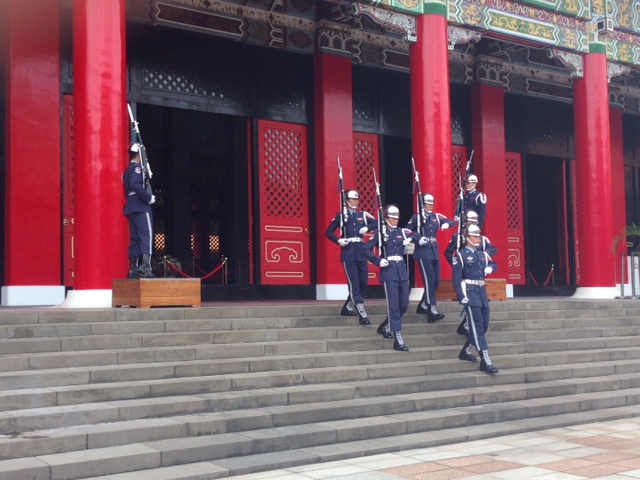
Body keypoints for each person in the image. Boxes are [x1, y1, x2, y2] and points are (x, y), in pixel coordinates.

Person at [363, 205, 417, 351]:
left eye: (397, 218)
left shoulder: (401, 232)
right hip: (388, 271)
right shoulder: (380, 233)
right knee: (393, 305)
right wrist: (378, 260)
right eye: (392, 218)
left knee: (404, 304)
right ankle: (398, 337)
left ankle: (386, 325)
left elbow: (416, 235)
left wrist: (411, 238)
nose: (395, 221)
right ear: (386, 218)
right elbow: (365, 249)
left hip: (401, 271)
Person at [325, 189, 378, 325]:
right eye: (353, 199)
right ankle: (362, 313)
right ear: (347, 200)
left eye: (357, 199)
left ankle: (347, 306)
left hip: (361, 252)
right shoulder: (341, 216)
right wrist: (338, 240)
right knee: (354, 283)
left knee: (363, 282)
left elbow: (378, 223)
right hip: (348, 253)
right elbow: (328, 232)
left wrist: (367, 228)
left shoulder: (363, 215)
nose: (356, 201)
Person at [452, 224, 499, 374]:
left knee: (484, 325)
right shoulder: (460, 256)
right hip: (470, 293)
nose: (478, 239)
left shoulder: (481, 254)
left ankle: (466, 350)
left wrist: (491, 268)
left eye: (478, 236)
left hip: (482, 292)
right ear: (467, 238)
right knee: (478, 327)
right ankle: (485, 360)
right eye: (475, 236)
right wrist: (461, 296)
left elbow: (494, 263)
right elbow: (456, 278)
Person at [445, 210, 498, 336]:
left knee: (478, 309)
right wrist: (457, 265)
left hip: (477, 275)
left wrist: (485, 254)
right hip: (465, 276)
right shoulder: (458, 237)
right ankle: (470, 331)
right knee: (471, 304)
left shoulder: (482, 239)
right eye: (470, 221)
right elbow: (448, 252)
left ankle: (466, 327)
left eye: (475, 221)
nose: (473, 224)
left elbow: (493, 249)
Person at [405, 194, 456, 323]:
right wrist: (418, 238)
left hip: (434, 252)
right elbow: (406, 231)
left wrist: (447, 225)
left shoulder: (436, 217)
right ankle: (431, 308)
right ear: (423, 204)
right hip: (423, 252)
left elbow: (452, 222)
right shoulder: (417, 218)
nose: (431, 206)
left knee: (436, 281)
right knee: (429, 281)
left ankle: (422, 305)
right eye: (428, 203)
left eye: (432, 203)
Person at [123, 142, 156, 278]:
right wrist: (148, 198)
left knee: (135, 237)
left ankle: (134, 268)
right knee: (146, 235)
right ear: (138, 155)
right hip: (141, 206)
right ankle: (146, 266)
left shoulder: (127, 171)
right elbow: (135, 184)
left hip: (131, 207)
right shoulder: (137, 168)